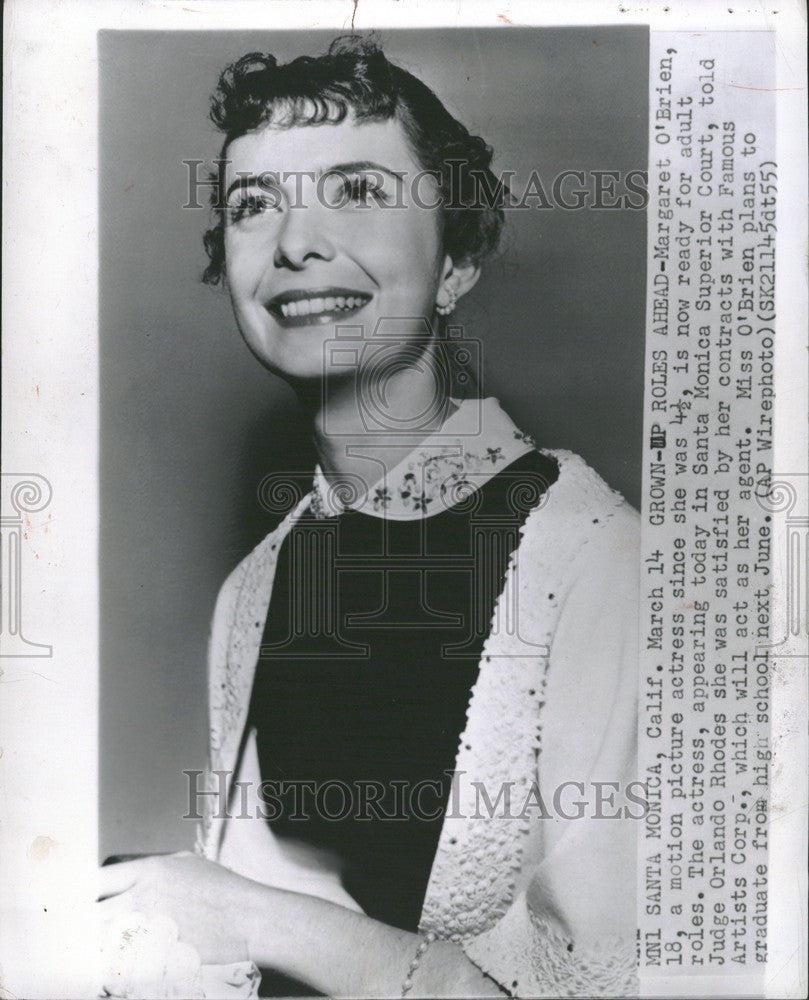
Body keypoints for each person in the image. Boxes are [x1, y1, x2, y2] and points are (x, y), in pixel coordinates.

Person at [99, 34, 640, 999]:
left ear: (457, 261)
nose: (296, 244)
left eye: (356, 192)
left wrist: (250, 915)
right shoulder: (255, 589)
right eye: (254, 205)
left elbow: (606, 986)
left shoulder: (602, 565)